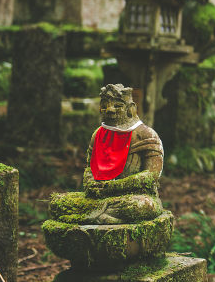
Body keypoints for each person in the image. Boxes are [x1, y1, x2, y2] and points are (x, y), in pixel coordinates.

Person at [50, 84, 164, 225]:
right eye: (104, 105)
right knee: (58, 203)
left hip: (133, 196)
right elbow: (90, 167)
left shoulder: (145, 134)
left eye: (117, 105)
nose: (109, 110)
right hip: (99, 197)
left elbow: (151, 175)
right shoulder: (98, 134)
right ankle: (102, 215)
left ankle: (93, 215)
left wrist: (117, 186)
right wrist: (90, 182)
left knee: (142, 206)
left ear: (131, 108)